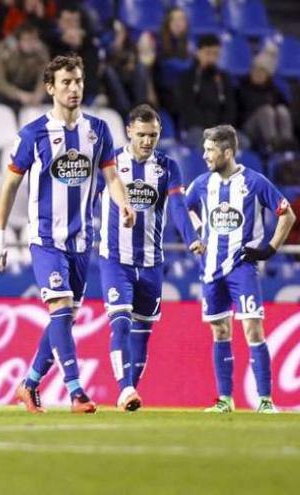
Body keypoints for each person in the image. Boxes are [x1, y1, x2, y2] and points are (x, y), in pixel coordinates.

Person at [0, 54, 136, 414]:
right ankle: (76, 392)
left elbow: (111, 175)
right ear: (50, 88)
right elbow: (10, 184)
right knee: (59, 309)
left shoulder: (98, 130)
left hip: (82, 242)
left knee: (64, 317)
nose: (74, 89)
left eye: (78, 82)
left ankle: (28, 385)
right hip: (46, 241)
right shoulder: (33, 133)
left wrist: (124, 203)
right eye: (66, 83)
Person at [98, 104, 204, 412]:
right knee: (120, 323)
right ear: (129, 131)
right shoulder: (111, 162)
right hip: (116, 258)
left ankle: (130, 391)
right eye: (142, 134)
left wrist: (191, 238)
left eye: (153, 135)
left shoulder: (168, 166)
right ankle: (125, 388)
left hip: (151, 262)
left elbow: (178, 207)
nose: (147, 141)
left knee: (143, 332)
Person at [185, 125, 296, 413]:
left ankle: (265, 400)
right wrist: (196, 235)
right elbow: (184, 208)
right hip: (210, 270)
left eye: (210, 150)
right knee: (220, 331)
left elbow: (287, 215)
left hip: (242, 268)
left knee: (252, 329)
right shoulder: (201, 184)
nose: (205, 155)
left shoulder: (255, 182)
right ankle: (225, 400)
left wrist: (268, 249)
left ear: (228, 152)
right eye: (205, 149)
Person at [175, 35, 237, 146]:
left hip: (220, 130)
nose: (212, 58)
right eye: (208, 53)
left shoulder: (224, 79)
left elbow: (229, 107)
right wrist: (209, 129)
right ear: (198, 53)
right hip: (196, 128)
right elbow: (187, 107)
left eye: (215, 54)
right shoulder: (188, 78)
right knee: (207, 143)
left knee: (243, 142)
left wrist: (221, 128)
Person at [0, 22, 49, 113]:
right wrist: (18, 94)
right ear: (18, 41)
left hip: (29, 87)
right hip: (9, 87)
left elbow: (44, 77)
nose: (31, 43)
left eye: (34, 39)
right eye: (27, 40)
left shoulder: (41, 51)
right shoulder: (5, 50)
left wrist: (38, 94)